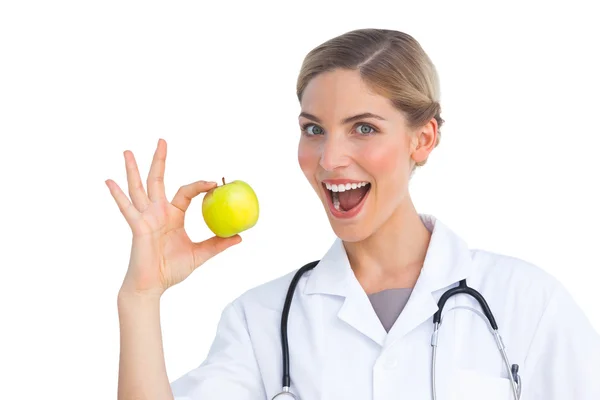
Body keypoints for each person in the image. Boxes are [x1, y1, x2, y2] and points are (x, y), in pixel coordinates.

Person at [107, 29, 600, 400]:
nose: (329, 159)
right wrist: (140, 297)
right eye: (314, 129)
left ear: (422, 139)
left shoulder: (527, 304)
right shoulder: (261, 321)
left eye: (362, 128)